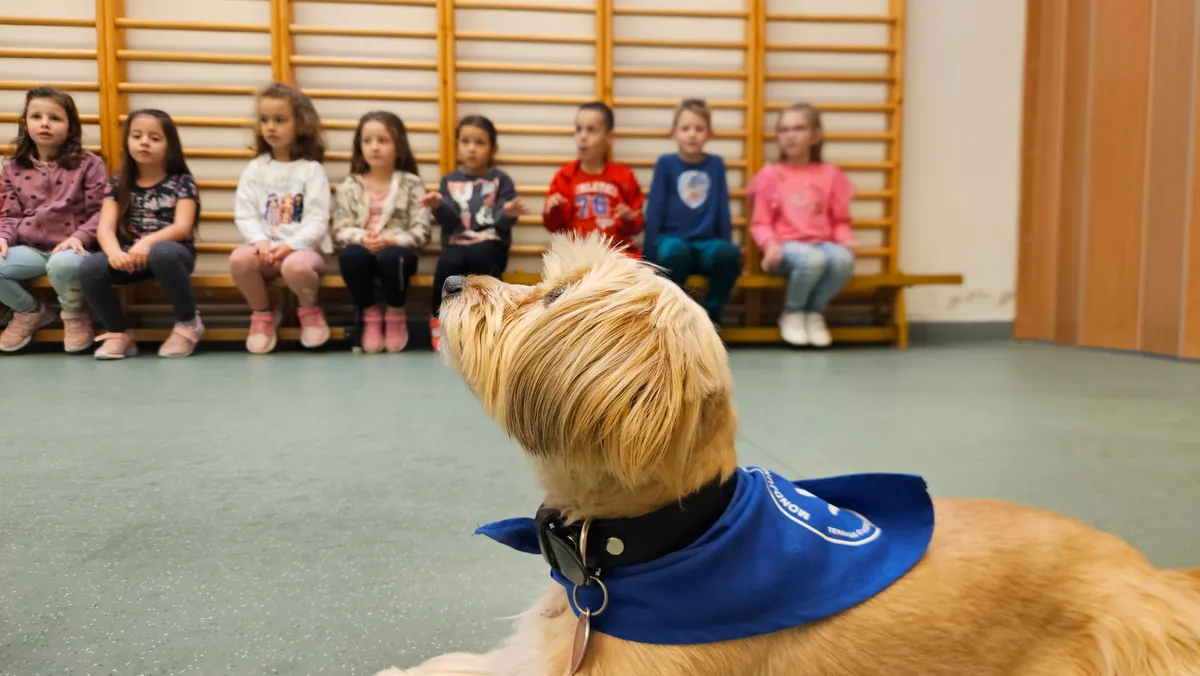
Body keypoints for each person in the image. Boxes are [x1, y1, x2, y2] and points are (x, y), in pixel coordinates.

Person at [79, 109, 202, 359]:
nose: (144, 142)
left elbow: (182, 227)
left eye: (155, 138)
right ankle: (119, 333)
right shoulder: (118, 182)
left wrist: (147, 242)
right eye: (137, 136)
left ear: (170, 146)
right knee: (90, 267)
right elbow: (105, 227)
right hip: (130, 256)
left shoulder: (182, 182)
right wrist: (114, 253)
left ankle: (188, 322)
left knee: (162, 253)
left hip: (171, 254)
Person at [0, 86, 107, 353]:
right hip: (32, 248)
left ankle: (74, 314)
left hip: (75, 248)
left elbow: (101, 212)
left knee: (63, 263)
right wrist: (2, 236)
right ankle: (29, 311)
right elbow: (10, 215)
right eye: (36, 116)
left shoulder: (89, 164)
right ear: (25, 122)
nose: (45, 124)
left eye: (55, 118)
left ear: (70, 127)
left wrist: (78, 238)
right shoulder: (12, 168)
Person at [230, 82, 332, 354]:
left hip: (303, 250)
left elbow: (317, 220)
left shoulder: (311, 170)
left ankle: (309, 311)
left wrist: (292, 245)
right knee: (239, 260)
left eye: (279, 120)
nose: (271, 127)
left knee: (295, 268)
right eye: (264, 120)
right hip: (264, 249)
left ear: (300, 124)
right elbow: (245, 212)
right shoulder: (255, 169)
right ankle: (262, 314)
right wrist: (260, 241)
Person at [748, 102, 857, 348]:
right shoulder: (771, 174)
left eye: (799, 128)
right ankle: (793, 313)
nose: (790, 135)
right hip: (786, 249)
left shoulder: (830, 175)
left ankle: (814, 313)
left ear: (816, 136)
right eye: (784, 130)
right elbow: (760, 222)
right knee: (812, 259)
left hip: (822, 244)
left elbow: (839, 220)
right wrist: (769, 245)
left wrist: (846, 240)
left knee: (842, 260)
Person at [422, 115, 526, 350]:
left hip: (490, 244)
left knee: (482, 259)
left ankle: (491, 322)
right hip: (456, 244)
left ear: (493, 149)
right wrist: (439, 205)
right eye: (466, 141)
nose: (472, 148)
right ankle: (439, 320)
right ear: (457, 146)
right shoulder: (449, 181)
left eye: (480, 142)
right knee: (447, 265)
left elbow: (502, 223)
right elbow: (450, 224)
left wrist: (509, 213)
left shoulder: (501, 180)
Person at [332, 111, 431, 353]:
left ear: (399, 147)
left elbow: (422, 230)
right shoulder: (349, 186)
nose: (374, 147)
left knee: (392, 257)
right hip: (363, 250)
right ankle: (371, 314)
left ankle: (396, 312)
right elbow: (340, 229)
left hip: (397, 252)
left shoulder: (412, 184)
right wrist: (362, 237)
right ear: (359, 147)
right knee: (350, 257)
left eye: (383, 140)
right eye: (367, 141)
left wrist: (391, 240)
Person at [644, 98, 740, 325]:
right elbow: (654, 210)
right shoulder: (665, 164)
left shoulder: (715, 164)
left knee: (729, 253)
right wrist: (649, 259)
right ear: (674, 133)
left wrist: (723, 246)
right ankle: (674, 313)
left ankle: (710, 314)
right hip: (673, 242)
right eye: (685, 128)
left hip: (706, 245)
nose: (692, 134)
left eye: (699, 129)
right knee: (676, 252)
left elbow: (722, 209)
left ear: (709, 134)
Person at [543, 101, 643, 257]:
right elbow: (552, 226)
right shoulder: (565, 176)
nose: (582, 136)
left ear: (609, 137)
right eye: (578, 129)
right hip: (576, 255)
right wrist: (554, 209)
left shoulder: (625, 176)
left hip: (616, 254)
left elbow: (635, 228)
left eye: (591, 130)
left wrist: (629, 218)